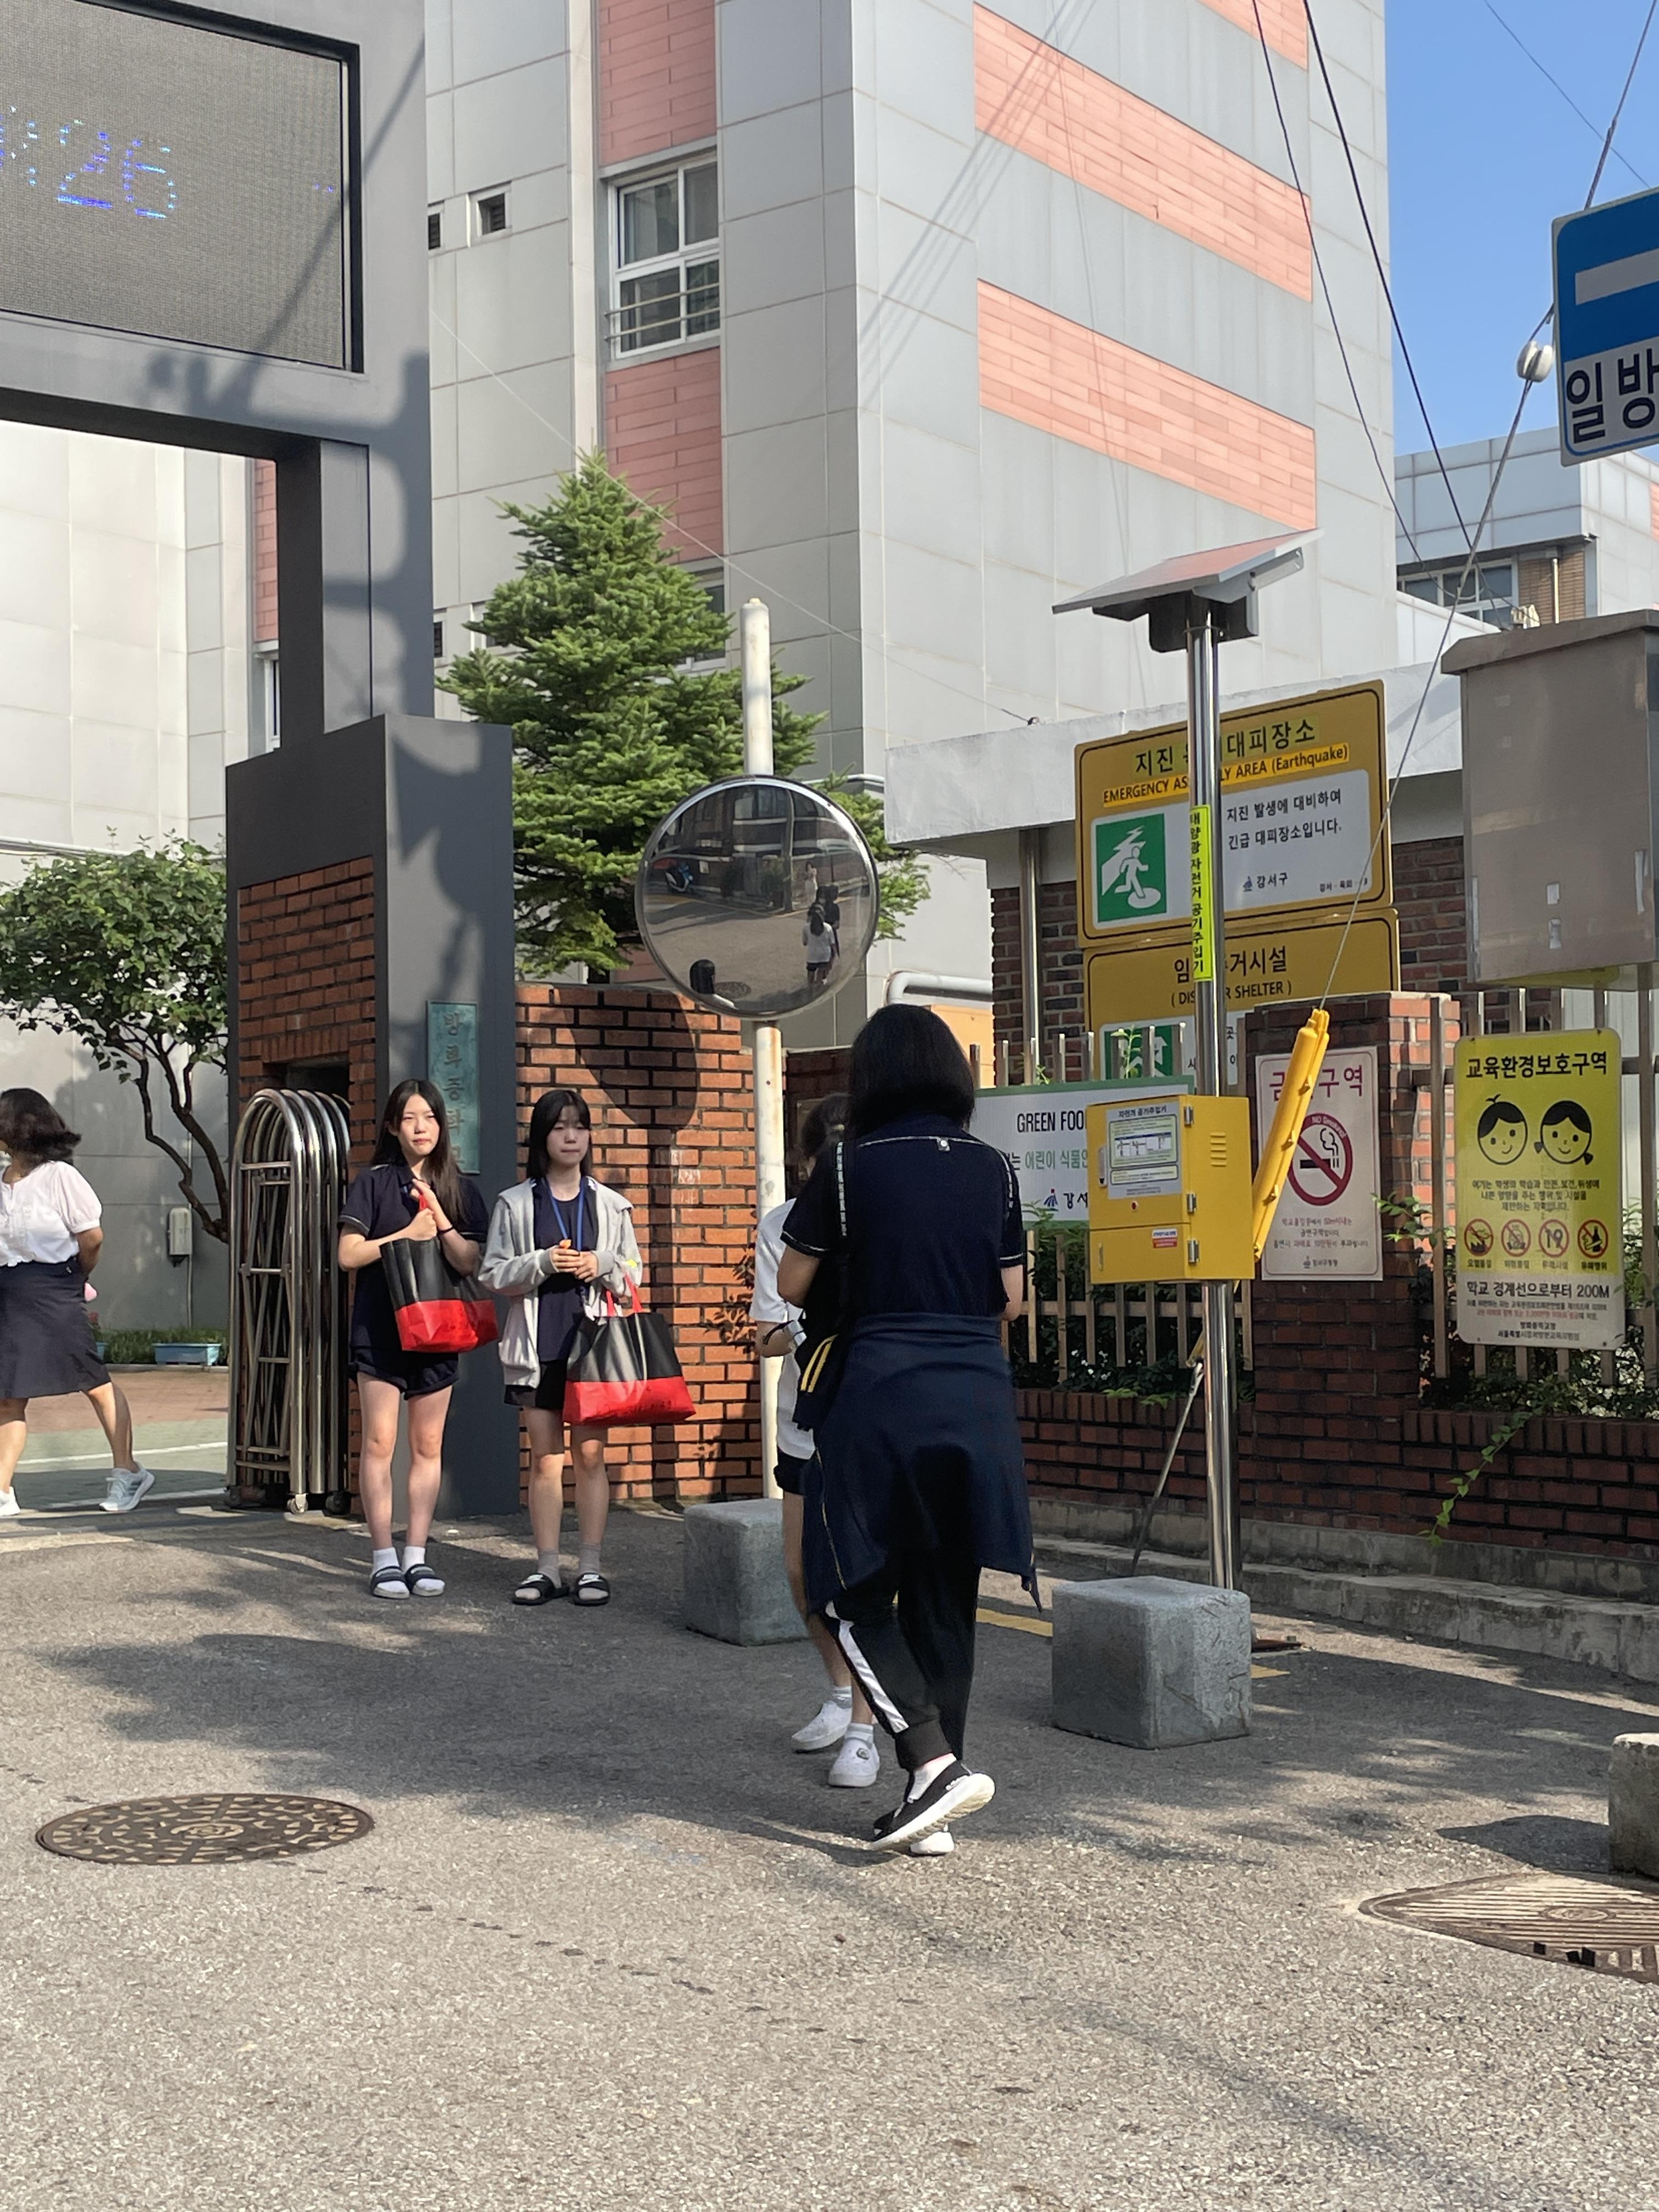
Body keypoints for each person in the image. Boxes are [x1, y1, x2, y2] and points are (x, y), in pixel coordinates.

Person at [778, 1005, 1033, 1855]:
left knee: (842, 1589)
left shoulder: (847, 1166)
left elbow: (792, 1280)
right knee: (944, 1596)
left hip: (882, 1392)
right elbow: (1012, 1299)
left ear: (873, 1075)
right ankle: (934, 1802)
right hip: (977, 1396)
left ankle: (932, 1764)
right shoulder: (995, 1169)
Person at [751, 1092, 879, 1790]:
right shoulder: (783, 1226)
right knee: (802, 1571)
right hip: (804, 1417)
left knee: (859, 1575)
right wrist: (813, 1323)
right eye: (826, 1148)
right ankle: (838, 1692)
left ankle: (864, 1729)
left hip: (872, 1422)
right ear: (808, 1159)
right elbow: (767, 1335)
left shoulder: (887, 1215)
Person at [480, 1089, 641, 1608]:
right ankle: (547, 1568)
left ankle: (591, 1567)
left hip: (592, 1347)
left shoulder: (611, 1204)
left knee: (591, 1456)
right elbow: (493, 1274)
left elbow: (635, 1273)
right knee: (546, 1459)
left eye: (580, 1126)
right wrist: (543, 1262)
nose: (571, 1137)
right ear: (542, 1137)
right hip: (538, 1344)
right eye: (559, 1127)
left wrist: (604, 1265)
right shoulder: (516, 1202)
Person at [337, 1080, 488, 1599]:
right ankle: (383, 1556)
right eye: (409, 1118)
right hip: (379, 1330)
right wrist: (405, 1235)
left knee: (427, 1445)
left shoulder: (460, 1188)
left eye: (430, 1117)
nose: (421, 1128)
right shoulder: (374, 1183)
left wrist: (438, 1219)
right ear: (392, 1127)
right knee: (380, 1442)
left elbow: (469, 1262)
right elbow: (349, 1255)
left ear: (443, 1124)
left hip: (439, 1329)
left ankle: (417, 1555)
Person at [0, 1088, 154, 1519]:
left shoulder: (60, 1177)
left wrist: (76, 1277)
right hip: (10, 1291)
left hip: (55, 1286)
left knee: (94, 1381)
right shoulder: (2, 1181)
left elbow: (92, 1237)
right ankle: (3, 1491)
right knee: (9, 1395)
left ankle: (128, 1471)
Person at [803, 905, 836, 996]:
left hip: (812, 955)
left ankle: (810, 992)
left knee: (811, 975)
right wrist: (833, 958)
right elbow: (832, 944)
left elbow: (805, 942)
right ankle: (817, 992)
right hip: (825, 955)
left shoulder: (806, 928)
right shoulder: (828, 928)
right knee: (820, 975)